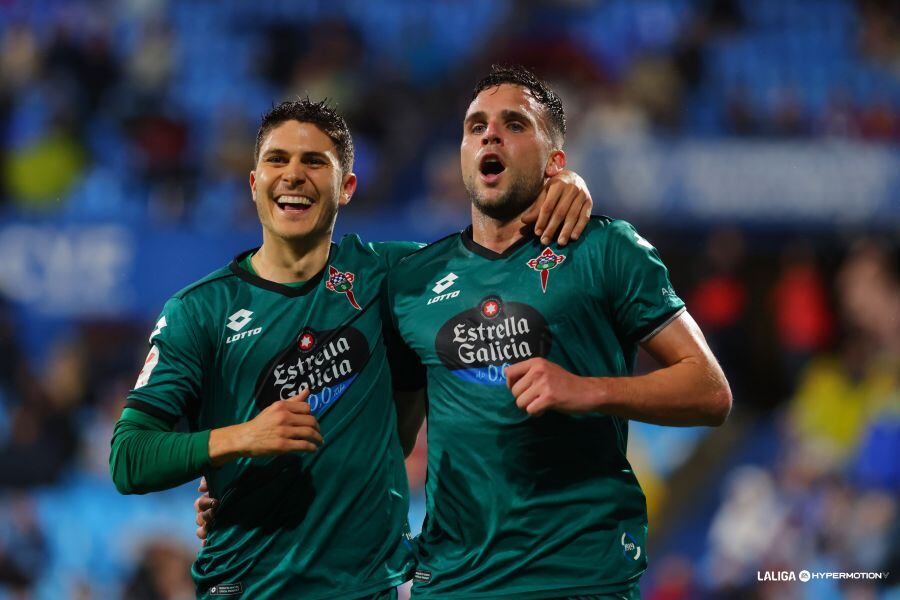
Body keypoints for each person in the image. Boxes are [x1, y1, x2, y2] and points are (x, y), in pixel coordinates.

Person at [110, 97, 593, 599]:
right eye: (277, 159)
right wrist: (239, 440)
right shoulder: (199, 310)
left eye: (314, 161)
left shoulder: (392, 277)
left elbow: (499, 242)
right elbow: (128, 457)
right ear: (254, 184)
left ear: (346, 188)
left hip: (368, 589)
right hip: (248, 587)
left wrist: (564, 186)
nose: (293, 175)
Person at [384, 65, 732, 598]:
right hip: (453, 581)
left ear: (555, 161)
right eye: (475, 126)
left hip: (579, 575)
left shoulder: (606, 249)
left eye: (515, 124)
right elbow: (391, 444)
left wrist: (587, 389)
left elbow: (710, 392)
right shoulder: (413, 278)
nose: (490, 134)